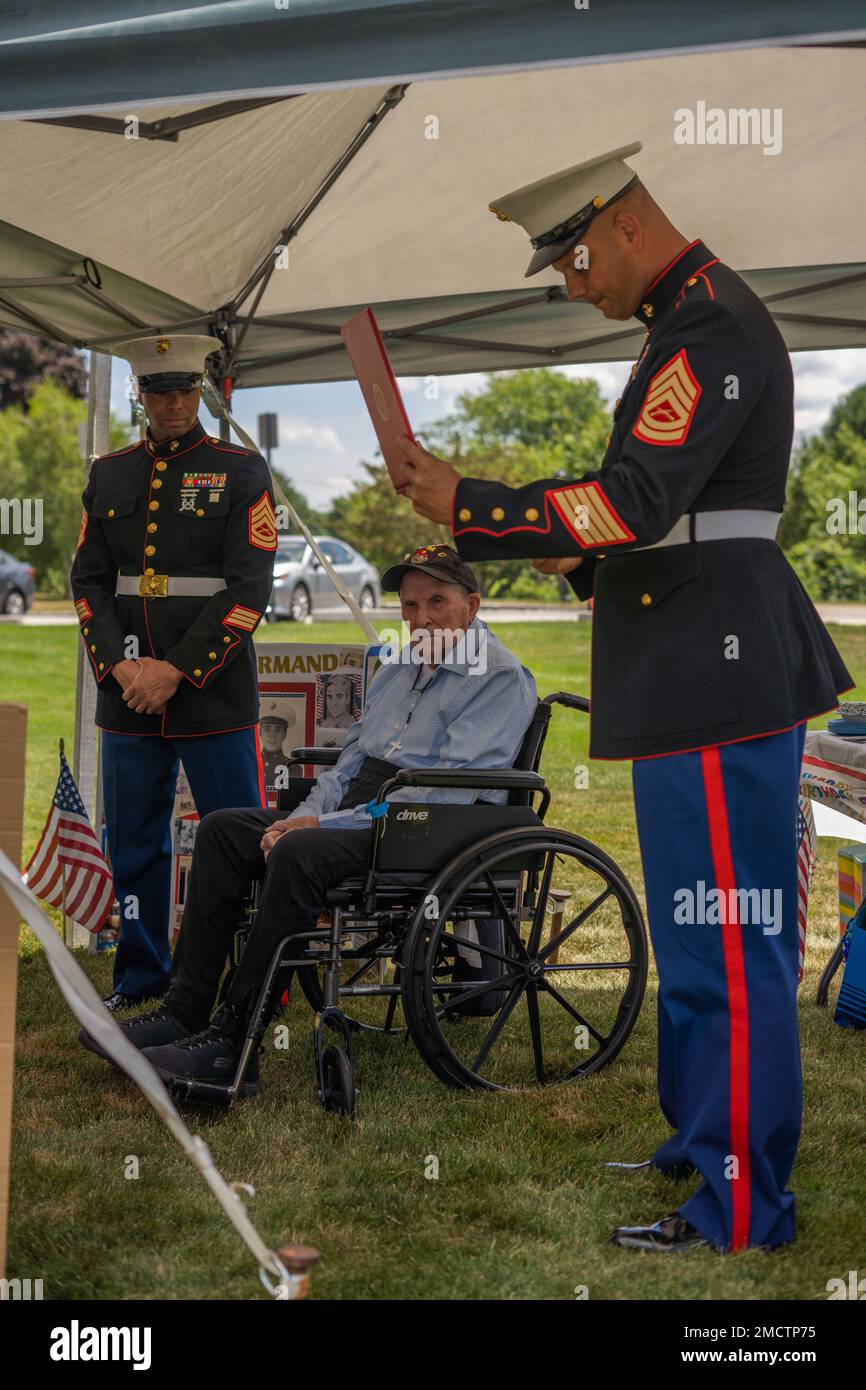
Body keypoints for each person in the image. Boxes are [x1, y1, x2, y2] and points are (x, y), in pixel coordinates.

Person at [395, 143, 853, 1254]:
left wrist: (480, 507)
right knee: (699, 935)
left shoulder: (705, 326)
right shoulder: (681, 323)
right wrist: (575, 557)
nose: (567, 281)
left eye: (570, 256)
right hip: (694, 657)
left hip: (714, 664)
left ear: (624, 225)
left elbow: (635, 500)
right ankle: (701, 1141)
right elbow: (643, 518)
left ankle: (740, 1204)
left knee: (728, 942)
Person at [79, 545, 537, 1096]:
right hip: (368, 809)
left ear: (472, 605)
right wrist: (305, 816)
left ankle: (233, 1042)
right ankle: (185, 1010)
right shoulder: (400, 667)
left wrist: (324, 828)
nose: (420, 619)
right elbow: (349, 764)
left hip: (426, 827)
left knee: (299, 854)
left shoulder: (500, 678)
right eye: (410, 606)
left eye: (436, 602)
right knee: (226, 829)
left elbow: (444, 792)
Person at [70, 334, 276, 1012]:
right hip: (127, 694)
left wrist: (176, 670)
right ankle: (140, 977)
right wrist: (124, 667)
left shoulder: (241, 470)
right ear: (139, 394)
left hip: (212, 693)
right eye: (160, 390)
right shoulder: (108, 474)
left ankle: (251, 984)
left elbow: (249, 591)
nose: (174, 403)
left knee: (240, 845)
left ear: (202, 391)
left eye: (185, 389)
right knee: (132, 848)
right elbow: (88, 582)